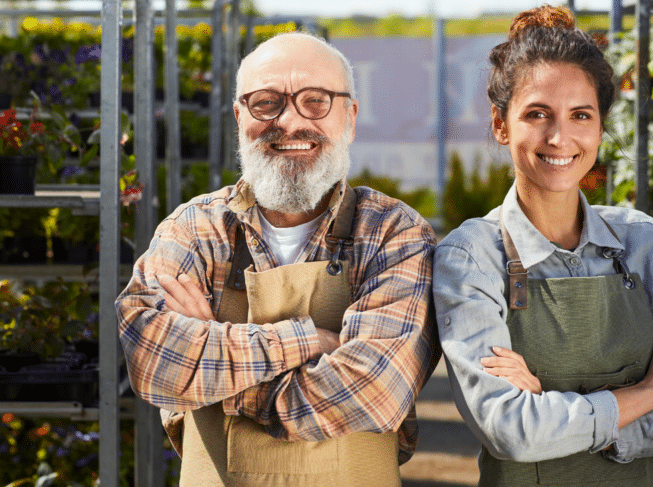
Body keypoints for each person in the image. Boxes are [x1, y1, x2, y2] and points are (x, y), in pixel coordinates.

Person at [116, 32, 439, 487]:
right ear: (238, 117)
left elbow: (370, 393)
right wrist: (310, 341)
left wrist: (212, 373)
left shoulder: (392, 233)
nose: (288, 121)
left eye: (315, 101)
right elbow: (153, 361)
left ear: (350, 118)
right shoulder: (195, 227)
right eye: (266, 102)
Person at [432, 5, 653, 487]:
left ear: (600, 127)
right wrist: (650, 391)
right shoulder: (472, 255)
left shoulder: (643, 244)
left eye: (580, 115)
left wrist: (555, 411)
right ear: (502, 125)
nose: (559, 137)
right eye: (536, 114)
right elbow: (511, 431)